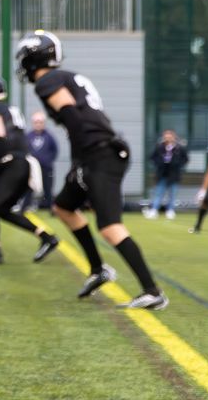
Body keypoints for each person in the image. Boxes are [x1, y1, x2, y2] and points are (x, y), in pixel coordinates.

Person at [18, 30, 166, 309]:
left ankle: (152, 291)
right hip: (101, 149)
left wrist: (79, 162)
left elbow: (73, 117)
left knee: (110, 227)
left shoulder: (48, 81)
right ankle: (98, 269)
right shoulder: (65, 76)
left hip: (98, 154)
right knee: (63, 207)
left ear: (34, 58)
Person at [0, 74, 62, 266]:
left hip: (12, 163)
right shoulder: (8, 108)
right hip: (22, 162)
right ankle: (47, 238)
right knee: (1, 209)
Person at [149, 130, 187, 219]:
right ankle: (154, 210)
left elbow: (185, 159)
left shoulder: (179, 148)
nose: (168, 139)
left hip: (174, 174)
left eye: (170, 137)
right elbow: (152, 157)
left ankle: (170, 210)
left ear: (173, 137)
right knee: (158, 193)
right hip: (162, 173)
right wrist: (159, 163)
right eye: (166, 137)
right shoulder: (159, 147)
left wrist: (177, 164)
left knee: (172, 194)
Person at [25, 112, 59, 210]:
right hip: (32, 168)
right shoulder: (28, 136)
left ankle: (50, 207)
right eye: (36, 122)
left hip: (46, 167)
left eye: (40, 122)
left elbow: (55, 150)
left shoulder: (49, 136)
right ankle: (26, 206)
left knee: (47, 187)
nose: (38, 124)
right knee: (29, 187)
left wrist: (48, 160)